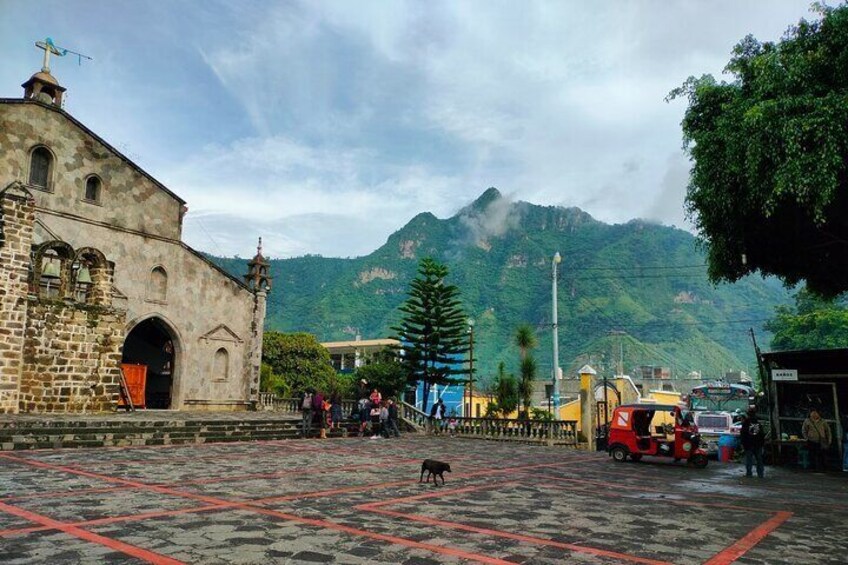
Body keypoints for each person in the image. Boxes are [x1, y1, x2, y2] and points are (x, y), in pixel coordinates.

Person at [740, 407, 765, 478]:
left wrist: (743, 444)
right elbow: (761, 434)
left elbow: (743, 434)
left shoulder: (746, 423)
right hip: (758, 444)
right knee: (759, 459)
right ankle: (760, 474)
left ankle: (749, 473)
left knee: (749, 460)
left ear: (748, 414)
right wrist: (762, 444)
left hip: (749, 444)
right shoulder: (758, 423)